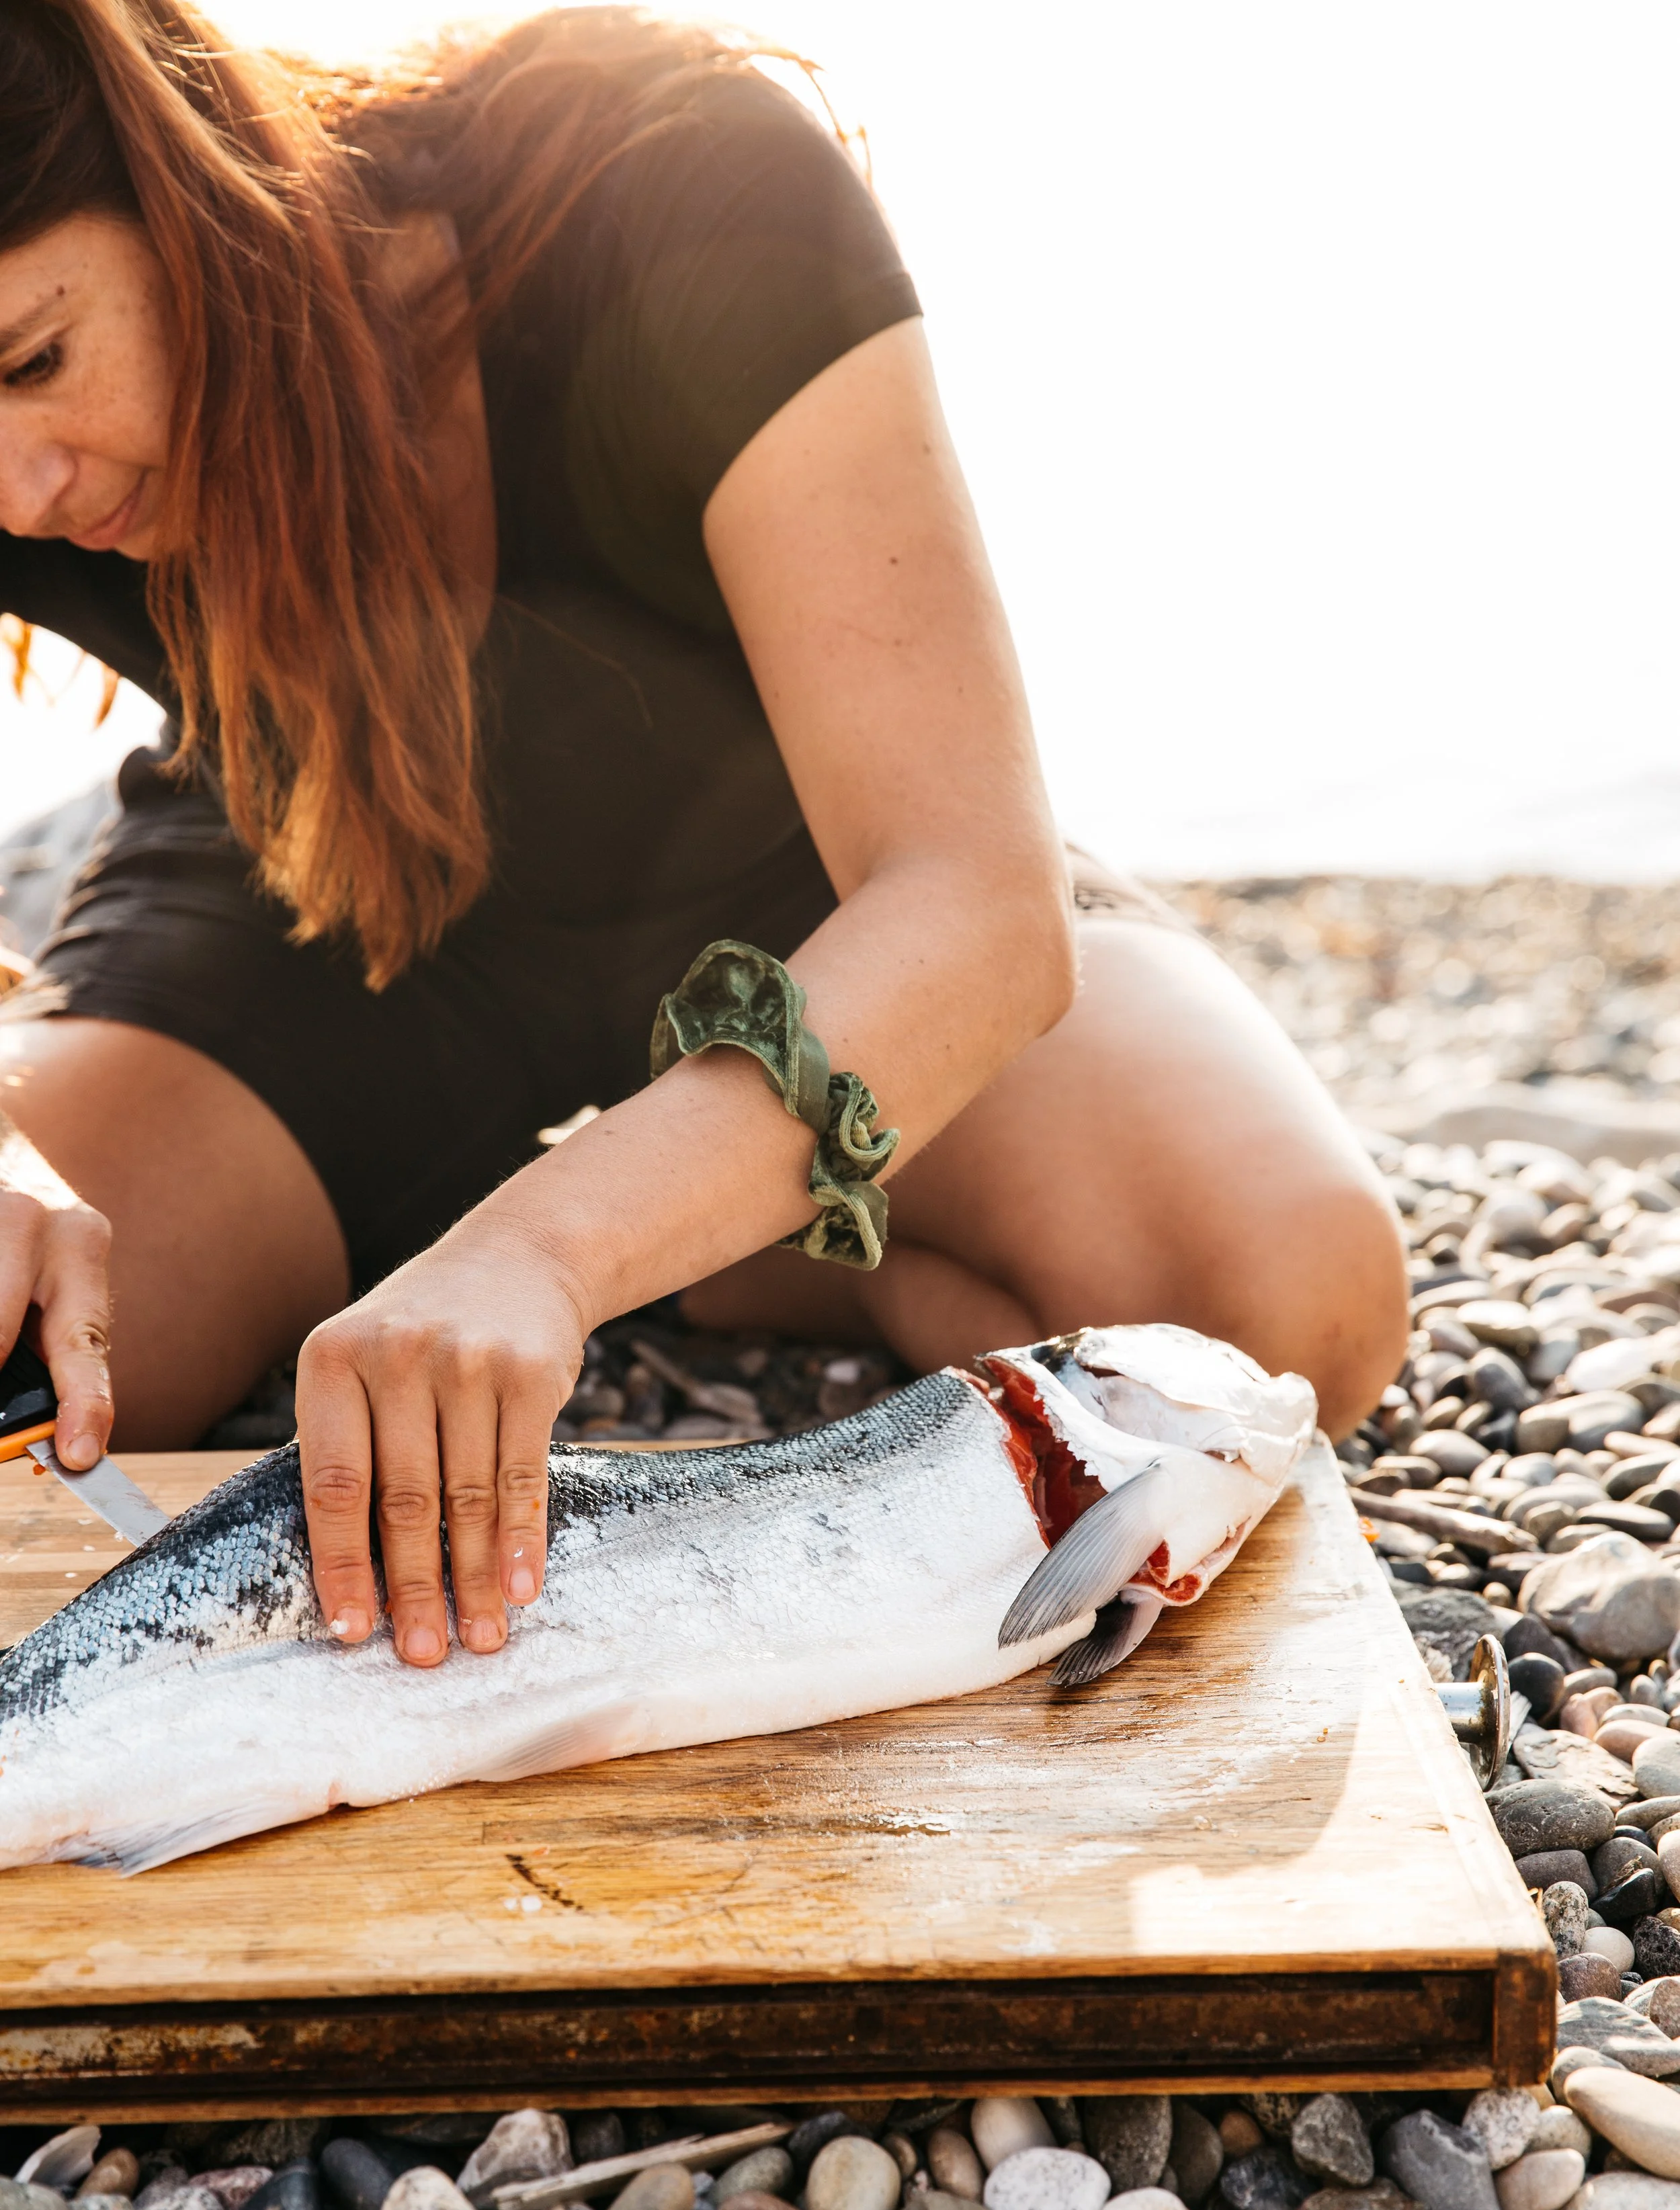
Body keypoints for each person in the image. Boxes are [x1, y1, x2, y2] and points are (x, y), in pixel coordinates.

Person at [0, 0, 1406, 1671]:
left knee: (1272, 1301)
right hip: (324, 899)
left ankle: (716, 1252)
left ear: (181, 161)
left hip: (796, 893)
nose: (20, 488)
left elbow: (969, 897)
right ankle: (609, 1219)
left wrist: (549, 1249)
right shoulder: (22, 455)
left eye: (33, 360)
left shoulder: (666, 171)